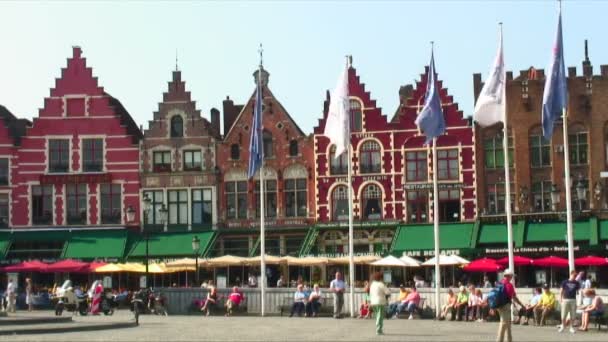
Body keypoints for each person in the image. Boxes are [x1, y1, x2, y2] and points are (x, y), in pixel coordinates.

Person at [495, 269, 524, 342]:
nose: (512, 278)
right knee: (504, 323)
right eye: (511, 276)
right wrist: (521, 305)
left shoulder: (499, 283)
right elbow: (514, 296)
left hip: (499, 306)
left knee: (507, 324)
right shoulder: (509, 285)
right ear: (509, 276)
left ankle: (509, 340)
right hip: (506, 306)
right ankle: (499, 340)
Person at [370, 272, 390, 336]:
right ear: (380, 278)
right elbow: (388, 292)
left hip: (373, 302)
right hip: (380, 301)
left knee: (377, 315)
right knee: (380, 316)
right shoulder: (381, 284)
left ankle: (378, 328)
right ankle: (379, 330)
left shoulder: (372, 284)